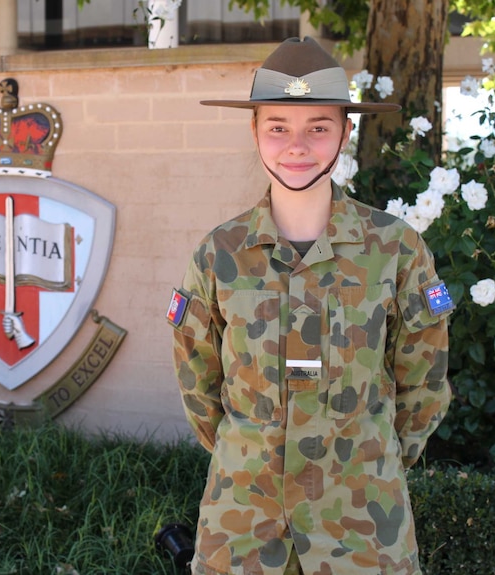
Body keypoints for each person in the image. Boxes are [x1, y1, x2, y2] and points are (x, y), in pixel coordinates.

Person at [168, 36, 453, 575]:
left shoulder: (395, 249)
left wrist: (369, 457)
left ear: (345, 131)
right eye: (278, 126)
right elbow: (198, 384)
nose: (296, 145)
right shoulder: (219, 255)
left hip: (364, 520)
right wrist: (253, 451)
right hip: (244, 519)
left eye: (318, 127)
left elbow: (425, 386)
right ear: (254, 131)